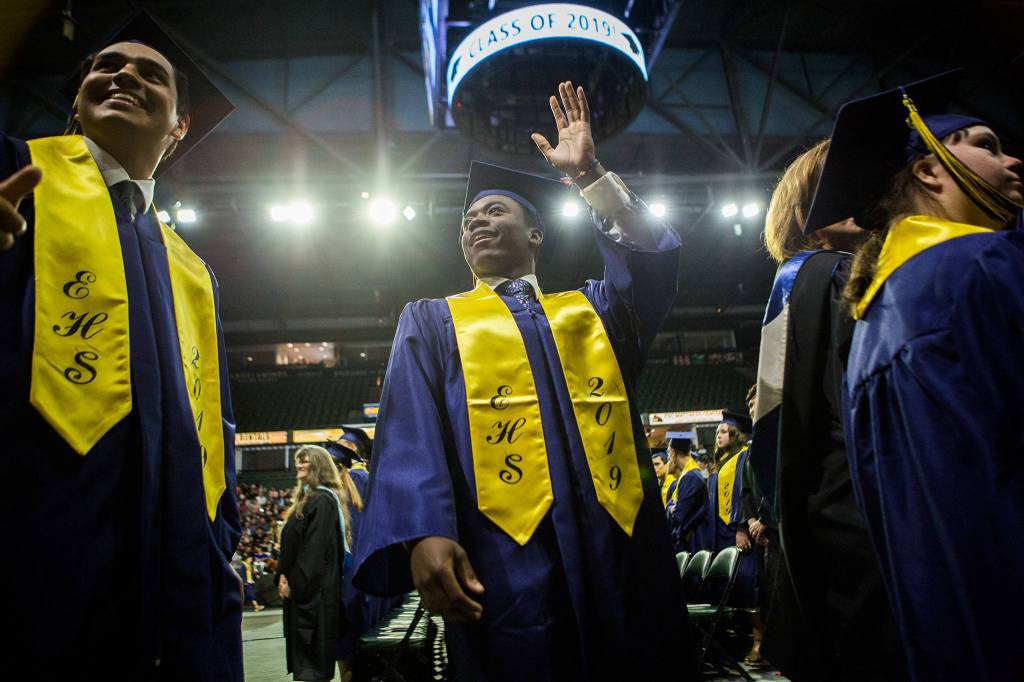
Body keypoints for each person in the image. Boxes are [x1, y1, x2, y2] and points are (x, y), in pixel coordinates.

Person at [352, 81, 695, 681]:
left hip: (618, 544)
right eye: (468, 220)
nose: (476, 223)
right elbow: (409, 433)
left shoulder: (593, 311)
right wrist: (424, 533)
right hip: (503, 555)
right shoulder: (433, 321)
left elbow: (654, 260)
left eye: (494, 211)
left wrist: (591, 179)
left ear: (536, 235)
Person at [2, 12, 241, 680]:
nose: (124, 74)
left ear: (180, 125)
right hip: (40, 548)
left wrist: (219, 533)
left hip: (184, 577)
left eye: (150, 73)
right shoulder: (18, 175)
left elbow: (213, 425)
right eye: (105, 67)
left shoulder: (192, 270)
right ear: (77, 103)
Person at [804, 70, 1024, 682]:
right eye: (987, 145)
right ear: (929, 171)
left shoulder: (883, 307)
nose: (1012, 160)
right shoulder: (979, 268)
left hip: (953, 632)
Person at [749, 137, 904, 680]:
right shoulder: (839, 275)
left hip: (822, 523)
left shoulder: (798, 280)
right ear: (809, 213)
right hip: (868, 527)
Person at [278, 445, 354, 682]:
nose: (299, 464)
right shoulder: (311, 498)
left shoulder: (322, 501)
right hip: (306, 594)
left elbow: (313, 551)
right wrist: (282, 574)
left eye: (305, 461)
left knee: (313, 670)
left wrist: (293, 582)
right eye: (298, 460)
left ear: (318, 466)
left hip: (313, 597)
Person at [706, 412, 763, 662]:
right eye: (717, 432)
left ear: (735, 433)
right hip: (721, 531)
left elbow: (745, 493)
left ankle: (760, 640)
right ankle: (742, 638)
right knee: (734, 588)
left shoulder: (743, 456)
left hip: (736, 530)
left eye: (723, 431)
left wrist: (741, 527)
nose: (718, 435)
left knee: (749, 583)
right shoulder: (723, 462)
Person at [664, 433, 708, 554]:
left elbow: (678, 514)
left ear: (673, 453)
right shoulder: (689, 475)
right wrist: (672, 507)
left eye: (668, 453)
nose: (668, 457)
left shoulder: (691, 477)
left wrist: (670, 508)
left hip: (694, 542)